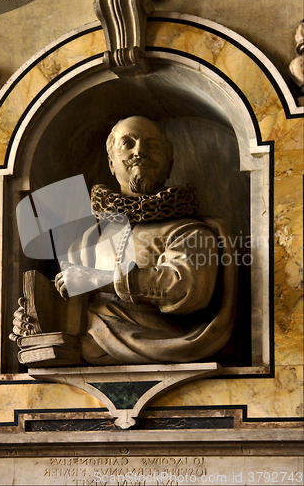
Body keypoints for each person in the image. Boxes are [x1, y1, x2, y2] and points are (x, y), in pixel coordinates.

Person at [12, 116, 237, 365]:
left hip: (168, 342)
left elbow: (186, 289)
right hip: (89, 346)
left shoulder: (192, 231)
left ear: (169, 164)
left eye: (151, 145)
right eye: (127, 144)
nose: (139, 151)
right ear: (111, 162)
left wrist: (100, 281)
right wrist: (36, 318)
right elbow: (69, 307)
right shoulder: (86, 239)